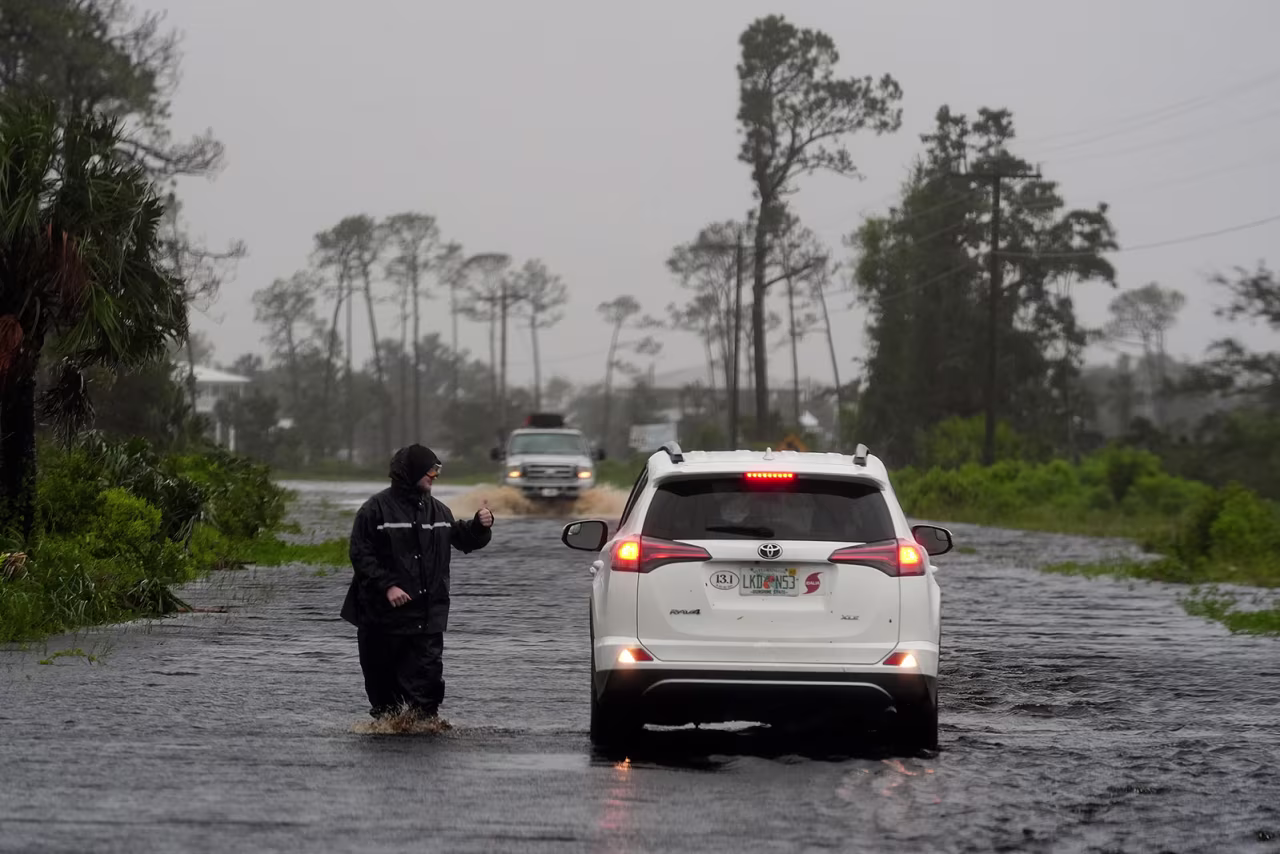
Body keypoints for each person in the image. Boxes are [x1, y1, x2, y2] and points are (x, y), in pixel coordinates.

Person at [341, 444, 494, 720]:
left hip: (426, 620)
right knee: (386, 704)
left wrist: (480, 527)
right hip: (381, 621)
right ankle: (390, 741)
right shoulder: (374, 510)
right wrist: (388, 586)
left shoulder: (439, 512)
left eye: (437, 470)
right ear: (410, 472)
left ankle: (423, 737)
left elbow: (464, 539)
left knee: (425, 701)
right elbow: (360, 555)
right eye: (430, 470)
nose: (435, 476)